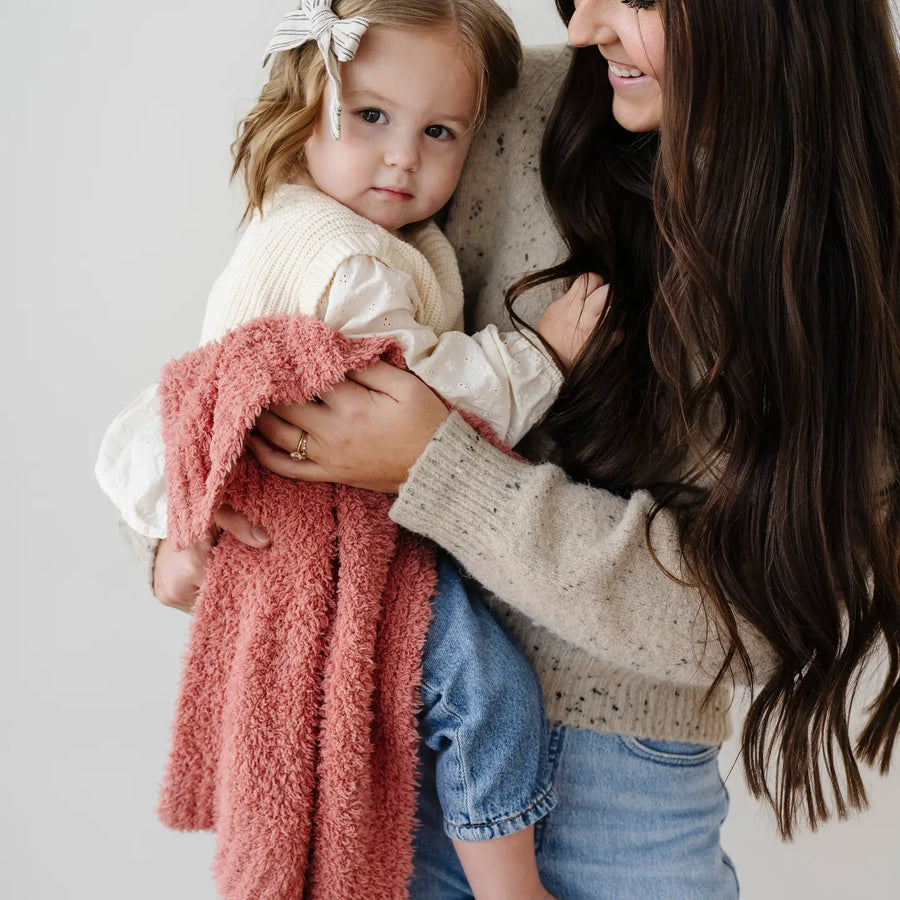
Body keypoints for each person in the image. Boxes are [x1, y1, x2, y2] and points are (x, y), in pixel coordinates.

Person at [149, 0, 900, 897]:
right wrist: (176, 526)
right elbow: (257, 332)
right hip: (388, 750)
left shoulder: (856, 249)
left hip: (630, 794)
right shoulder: (490, 109)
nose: (585, 26)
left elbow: (747, 612)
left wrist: (441, 468)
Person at [95, 2, 613, 897]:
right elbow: (431, 399)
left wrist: (167, 530)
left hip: (299, 543)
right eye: (371, 116)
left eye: (439, 130)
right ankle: (512, 884)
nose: (403, 155)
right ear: (306, 103)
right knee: (485, 692)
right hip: (327, 545)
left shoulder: (298, 223)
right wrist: (544, 354)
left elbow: (168, 406)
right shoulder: (351, 265)